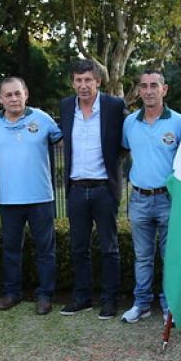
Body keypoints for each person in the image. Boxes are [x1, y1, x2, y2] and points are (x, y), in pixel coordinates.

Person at [0, 77, 62, 315]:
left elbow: (63, 143)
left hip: (40, 197)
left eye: (17, 93)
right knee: (10, 249)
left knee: (45, 250)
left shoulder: (43, 119)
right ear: (0, 99)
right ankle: (12, 292)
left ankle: (45, 295)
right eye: (8, 95)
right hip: (9, 200)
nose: (13, 99)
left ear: (26, 94)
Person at [59, 60, 126, 319]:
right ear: (73, 83)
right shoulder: (66, 106)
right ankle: (82, 297)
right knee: (78, 248)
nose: (83, 85)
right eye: (78, 80)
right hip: (76, 189)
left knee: (109, 248)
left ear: (98, 81)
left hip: (104, 189)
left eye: (88, 80)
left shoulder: (114, 106)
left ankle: (110, 300)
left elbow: (124, 141)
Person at [120, 71, 181, 324]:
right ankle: (141, 304)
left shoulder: (178, 123)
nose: (148, 90)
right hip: (139, 199)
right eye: (144, 86)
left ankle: (169, 306)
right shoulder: (130, 124)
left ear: (164, 89)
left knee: (170, 256)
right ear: (138, 90)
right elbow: (126, 151)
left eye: (154, 86)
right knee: (143, 256)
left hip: (169, 199)